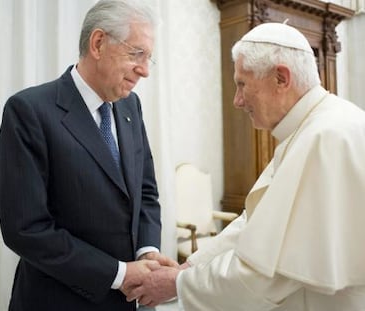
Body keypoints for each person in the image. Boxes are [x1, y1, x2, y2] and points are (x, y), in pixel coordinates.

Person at [123, 22, 365, 310]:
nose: (237, 101)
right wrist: (191, 267)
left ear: (280, 78)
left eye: (242, 84)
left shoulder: (324, 137)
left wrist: (177, 284)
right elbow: (255, 222)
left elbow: (267, 273)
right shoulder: (311, 128)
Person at [0, 1, 177, 310]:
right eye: (137, 54)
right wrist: (119, 273)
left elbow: (145, 191)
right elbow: (26, 230)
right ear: (98, 43)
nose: (145, 70)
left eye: (149, 58)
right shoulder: (29, 111)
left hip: (124, 301)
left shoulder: (130, 107)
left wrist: (146, 251)